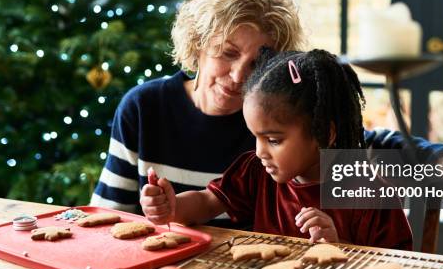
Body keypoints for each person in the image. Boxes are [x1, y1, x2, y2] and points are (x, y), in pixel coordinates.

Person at [141, 48, 414, 248]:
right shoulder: (255, 172)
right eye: (255, 137)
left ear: (324, 133)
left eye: (273, 140)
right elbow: (205, 202)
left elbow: (395, 268)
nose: (260, 152)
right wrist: (172, 206)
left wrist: (338, 245)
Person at [90, 0, 306, 216]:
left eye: (257, 64)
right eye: (228, 53)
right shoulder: (144, 107)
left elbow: (340, 199)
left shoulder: (281, 123)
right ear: (197, 43)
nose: (238, 76)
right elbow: (107, 216)